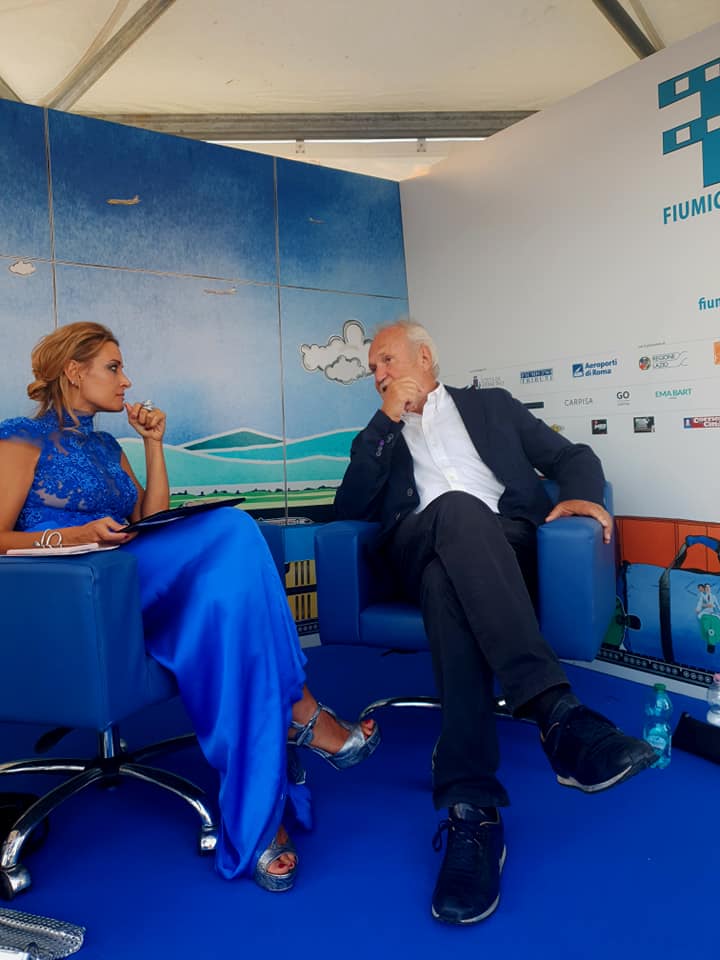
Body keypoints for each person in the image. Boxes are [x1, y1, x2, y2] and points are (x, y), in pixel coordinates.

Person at [0, 321, 380, 893]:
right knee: (231, 529)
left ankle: (260, 812)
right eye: (113, 368)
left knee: (230, 605)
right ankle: (301, 712)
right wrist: (72, 534)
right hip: (75, 598)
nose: (127, 381)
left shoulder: (107, 446)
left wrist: (153, 445)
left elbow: (149, 521)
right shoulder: (20, 440)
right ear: (74, 372)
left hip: (133, 575)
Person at [335, 319, 656, 925]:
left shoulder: (491, 406)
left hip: (506, 549)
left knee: (446, 583)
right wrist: (385, 422)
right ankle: (556, 713)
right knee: (454, 512)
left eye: (386, 360)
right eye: (371, 368)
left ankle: (472, 814)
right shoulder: (377, 436)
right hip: (417, 543)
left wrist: (582, 495)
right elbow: (347, 507)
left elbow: (572, 456)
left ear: (424, 357)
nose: (377, 374)